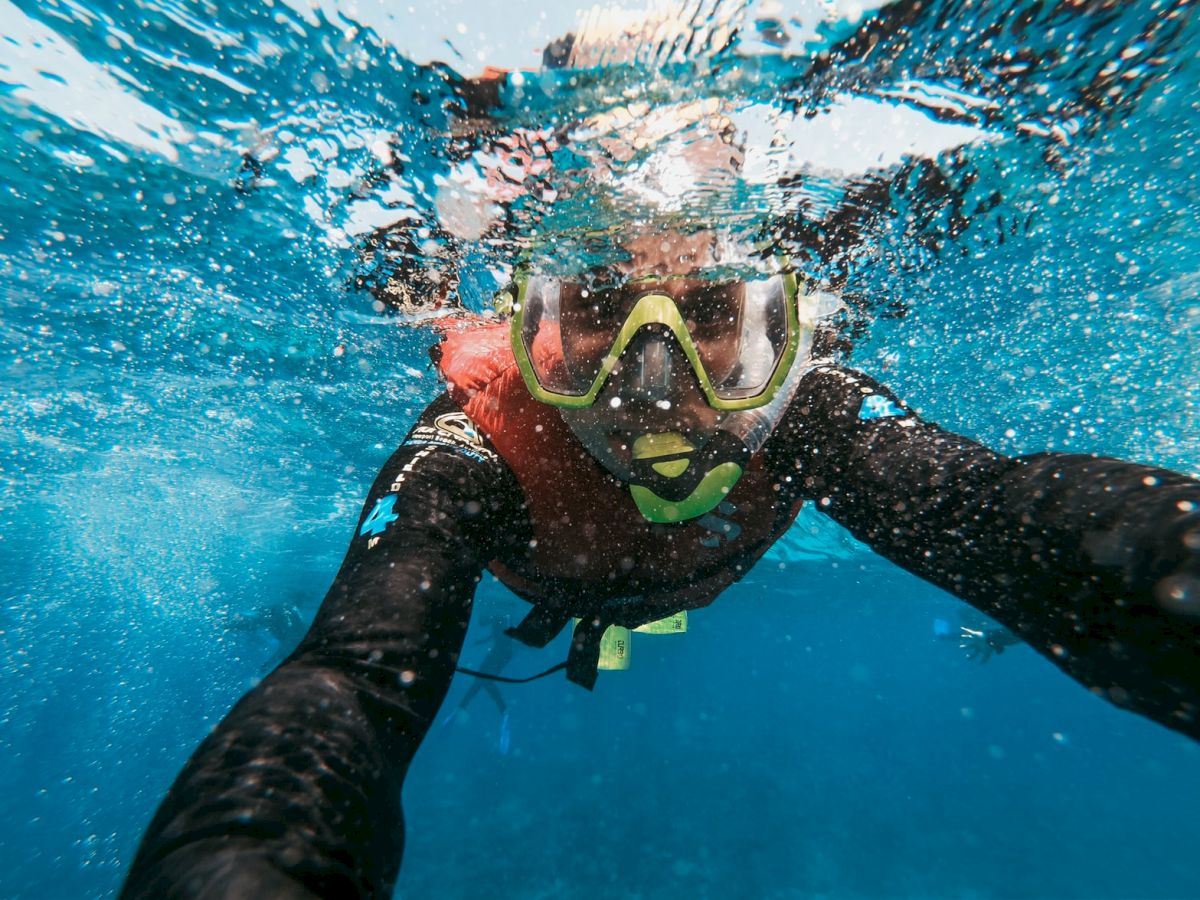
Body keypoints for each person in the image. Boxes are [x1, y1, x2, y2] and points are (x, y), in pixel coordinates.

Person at [122, 226, 1200, 899]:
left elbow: (1003, 514)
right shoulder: (476, 442)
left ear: (776, 330)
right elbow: (350, 680)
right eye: (595, 309)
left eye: (714, 317)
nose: (656, 380)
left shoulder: (812, 416)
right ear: (533, 326)